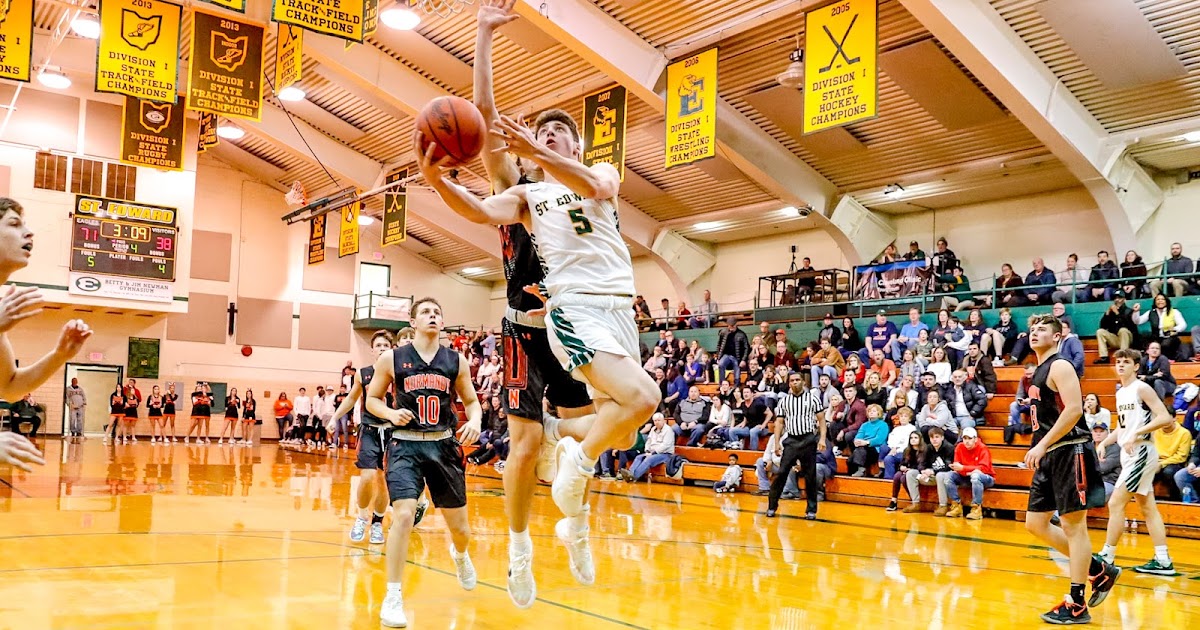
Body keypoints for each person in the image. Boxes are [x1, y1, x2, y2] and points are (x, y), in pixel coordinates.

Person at [471, 4, 610, 605]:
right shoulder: (515, 190)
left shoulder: (584, 197)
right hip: (524, 332)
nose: (548, 138)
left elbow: (593, 182)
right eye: (543, 135)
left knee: (591, 445)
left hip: (573, 330)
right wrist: (482, 33)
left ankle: (575, 524)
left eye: (561, 135)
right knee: (525, 448)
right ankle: (519, 550)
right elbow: (485, 119)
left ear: (575, 148)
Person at [365, 298, 483, 628]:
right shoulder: (392, 358)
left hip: (443, 447)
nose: (433, 316)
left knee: (461, 530)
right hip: (405, 446)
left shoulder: (455, 361)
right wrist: (390, 413)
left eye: (437, 312)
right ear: (413, 322)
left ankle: (459, 555)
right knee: (402, 515)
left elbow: (472, 402)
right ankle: (392, 596)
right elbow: (373, 399)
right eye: (426, 313)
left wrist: (474, 420)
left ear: (442, 323)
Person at [1021, 314, 1119, 624]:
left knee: (1074, 527)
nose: (1035, 333)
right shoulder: (1037, 370)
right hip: (1050, 453)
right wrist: (1038, 445)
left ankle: (1076, 603)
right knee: (1035, 524)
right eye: (1032, 329)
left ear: (1058, 336)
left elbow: (1075, 410)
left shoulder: (1060, 365)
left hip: (1070, 449)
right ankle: (1097, 569)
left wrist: (1042, 443)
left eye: (1042, 330)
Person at [1096, 349, 1177, 575]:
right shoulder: (1121, 392)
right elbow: (1123, 427)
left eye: (1126, 362)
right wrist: (1105, 443)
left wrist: (1137, 434)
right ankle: (1163, 560)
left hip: (1142, 451)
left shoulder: (1142, 388)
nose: (1120, 365)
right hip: (1129, 452)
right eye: (1118, 362)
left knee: (1115, 503)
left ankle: (1107, 555)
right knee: (1148, 508)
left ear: (1136, 366)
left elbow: (1163, 416)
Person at [765, 372, 827, 520]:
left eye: (798, 380)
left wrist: (822, 439)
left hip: (808, 439)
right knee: (781, 474)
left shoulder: (813, 399)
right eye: (792, 380)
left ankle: (811, 510)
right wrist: (776, 444)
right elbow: (779, 423)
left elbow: (822, 420)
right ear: (789, 383)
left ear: (803, 383)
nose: (795, 382)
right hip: (791, 440)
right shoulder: (784, 401)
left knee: (810, 476)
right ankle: (772, 506)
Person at [943, 427, 994, 520]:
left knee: (975, 476)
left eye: (970, 438)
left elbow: (984, 468)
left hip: (986, 478)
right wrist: (960, 468)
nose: (967, 441)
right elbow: (957, 465)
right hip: (966, 476)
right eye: (965, 438)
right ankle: (956, 505)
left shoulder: (983, 448)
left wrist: (964, 468)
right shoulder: (959, 447)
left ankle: (976, 508)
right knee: (948, 476)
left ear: (975, 439)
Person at [622, 413, 674, 481]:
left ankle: (634, 477)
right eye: (655, 421)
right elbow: (648, 441)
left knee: (648, 459)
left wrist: (653, 453)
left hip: (665, 454)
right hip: (652, 452)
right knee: (639, 457)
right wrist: (647, 450)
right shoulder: (653, 429)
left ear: (663, 420)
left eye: (659, 420)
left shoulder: (668, 430)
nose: (657, 422)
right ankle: (630, 473)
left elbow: (666, 445)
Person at [886, 428, 927, 512]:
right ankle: (894, 501)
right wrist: (902, 467)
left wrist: (909, 469)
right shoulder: (907, 450)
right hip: (908, 471)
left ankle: (914, 500)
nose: (913, 440)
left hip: (919, 473)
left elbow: (922, 466)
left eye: (916, 438)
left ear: (920, 439)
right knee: (897, 475)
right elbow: (902, 463)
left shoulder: (925, 450)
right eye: (911, 438)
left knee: (904, 478)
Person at [1093, 296, 1136, 364]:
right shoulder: (1111, 312)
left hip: (1127, 339)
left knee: (1123, 330)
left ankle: (1123, 356)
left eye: (1120, 298)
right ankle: (1104, 357)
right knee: (1100, 331)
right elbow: (1103, 326)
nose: (1117, 300)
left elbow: (1128, 325)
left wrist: (1117, 313)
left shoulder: (1129, 311)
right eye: (1116, 298)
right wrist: (1107, 314)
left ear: (1124, 300)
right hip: (1115, 339)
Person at [1006, 364, 1036, 445]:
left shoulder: (1039, 379)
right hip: (1026, 403)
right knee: (1013, 405)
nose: (1028, 376)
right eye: (1027, 374)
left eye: (1030, 374)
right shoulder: (1023, 379)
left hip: (1037, 403)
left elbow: (1042, 396)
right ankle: (1017, 427)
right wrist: (1020, 400)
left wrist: (1031, 400)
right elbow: (1019, 394)